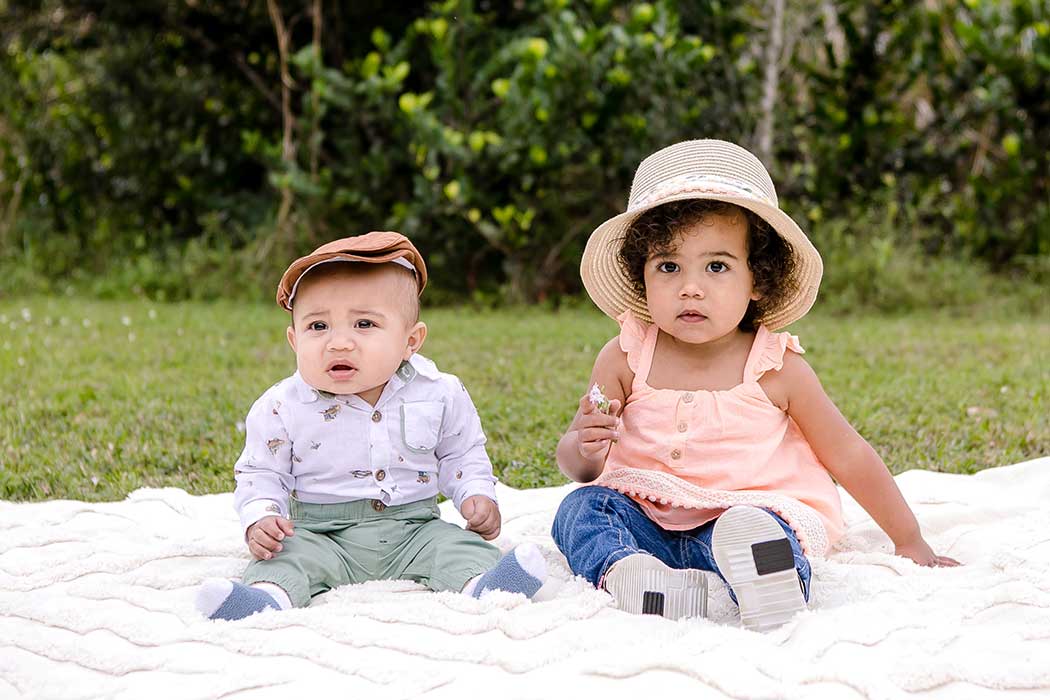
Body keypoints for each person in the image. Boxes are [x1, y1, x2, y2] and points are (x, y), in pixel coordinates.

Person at [551, 140, 959, 631]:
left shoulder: (775, 367)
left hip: (740, 519)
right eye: (668, 266)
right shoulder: (624, 356)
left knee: (765, 533)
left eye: (717, 266)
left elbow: (847, 453)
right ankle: (635, 575)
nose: (691, 287)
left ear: (758, 280)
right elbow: (577, 461)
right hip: (646, 523)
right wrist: (586, 447)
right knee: (581, 510)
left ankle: (769, 581)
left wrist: (908, 538)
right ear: (642, 276)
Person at [196, 231, 546, 620]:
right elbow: (261, 472)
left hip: (414, 528)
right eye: (318, 327)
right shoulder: (282, 406)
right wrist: (261, 517)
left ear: (410, 341)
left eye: (363, 324)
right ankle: (264, 599)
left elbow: (460, 452)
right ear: (294, 340)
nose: (339, 343)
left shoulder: (439, 392)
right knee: (284, 558)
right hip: (320, 534)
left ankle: (488, 586)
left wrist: (475, 493)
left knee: (457, 546)